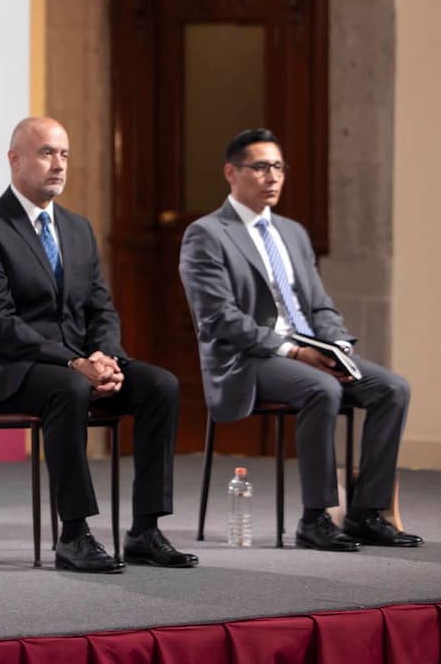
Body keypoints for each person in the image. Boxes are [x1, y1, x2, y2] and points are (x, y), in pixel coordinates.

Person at [0, 116, 197, 573]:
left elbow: (100, 309)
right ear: (15, 160)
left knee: (160, 385)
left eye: (64, 154)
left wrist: (105, 356)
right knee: (70, 389)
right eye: (46, 153)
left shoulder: (78, 229)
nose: (58, 164)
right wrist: (74, 361)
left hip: (78, 364)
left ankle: (145, 530)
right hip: (9, 369)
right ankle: (75, 535)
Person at [178, 128, 422, 552]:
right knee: (321, 388)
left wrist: (336, 346)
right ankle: (315, 518)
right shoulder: (208, 233)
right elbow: (219, 318)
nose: (272, 176)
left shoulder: (293, 232)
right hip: (248, 357)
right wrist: (293, 350)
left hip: (310, 349)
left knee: (392, 389)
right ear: (231, 173)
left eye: (278, 167)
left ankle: (365, 513)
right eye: (260, 167)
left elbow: (319, 305)